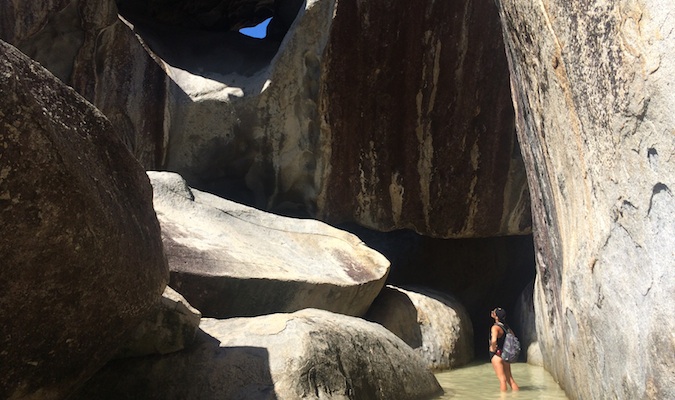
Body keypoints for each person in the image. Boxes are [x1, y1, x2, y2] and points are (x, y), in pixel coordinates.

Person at [489, 307, 520, 392]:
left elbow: (494, 340)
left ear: (496, 316)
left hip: (497, 355)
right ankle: (517, 396)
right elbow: (513, 337)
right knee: (510, 379)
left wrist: (492, 349)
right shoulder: (506, 327)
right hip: (505, 355)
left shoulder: (495, 327)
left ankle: (503, 397)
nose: (492, 312)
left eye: (493, 312)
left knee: (502, 380)